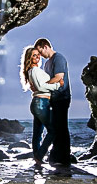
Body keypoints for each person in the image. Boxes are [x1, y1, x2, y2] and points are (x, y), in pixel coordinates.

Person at [34, 38, 71, 166]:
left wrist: (42, 85)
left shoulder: (58, 58)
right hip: (52, 99)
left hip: (62, 97)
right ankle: (56, 157)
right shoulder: (46, 64)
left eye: (40, 51)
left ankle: (64, 158)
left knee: (62, 128)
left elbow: (58, 77)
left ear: (45, 46)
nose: (40, 55)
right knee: (55, 127)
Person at [20, 45, 59, 166]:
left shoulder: (33, 70)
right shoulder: (35, 70)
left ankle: (37, 159)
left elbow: (37, 86)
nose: (37, 57)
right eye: (34, 55)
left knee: (37, 133)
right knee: (53, 131)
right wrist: (57, 85)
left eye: (38, 55)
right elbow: (41, 87)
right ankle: (40, 155)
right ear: (29, 58)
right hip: (41, 103)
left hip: (38, 103)